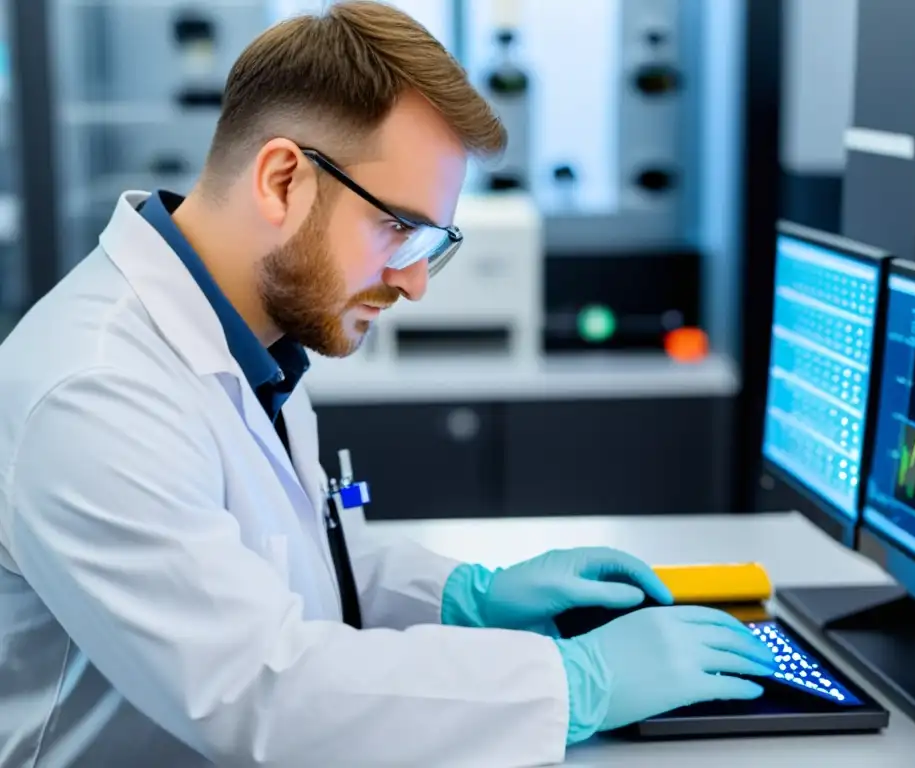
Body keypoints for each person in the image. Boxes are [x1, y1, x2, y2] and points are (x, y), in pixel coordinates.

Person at [0, 4, 776, 766]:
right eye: (398, 227)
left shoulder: (243, 335)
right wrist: (574, 685)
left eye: (429, 240)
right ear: (280, 181)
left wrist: (465, 596)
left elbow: (291, 576)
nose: (414, 282)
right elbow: (260, 694)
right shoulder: (97, 392)